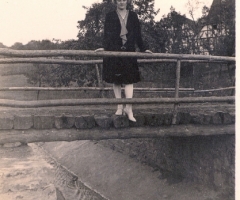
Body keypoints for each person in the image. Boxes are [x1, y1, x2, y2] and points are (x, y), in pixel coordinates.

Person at [95, 0, 152, 122]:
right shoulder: (110, 16)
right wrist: (104, 47)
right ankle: (119, 106)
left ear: (127, 1)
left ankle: (129, 109)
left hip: (129, 52)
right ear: (116, 1)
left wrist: (144, 48)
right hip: (114, 51)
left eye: (124, 0)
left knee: (129, 80)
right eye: (119, 0)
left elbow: (137, 35)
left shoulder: (133, 16)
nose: (121, 2)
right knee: (116, 80)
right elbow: (107, 34)